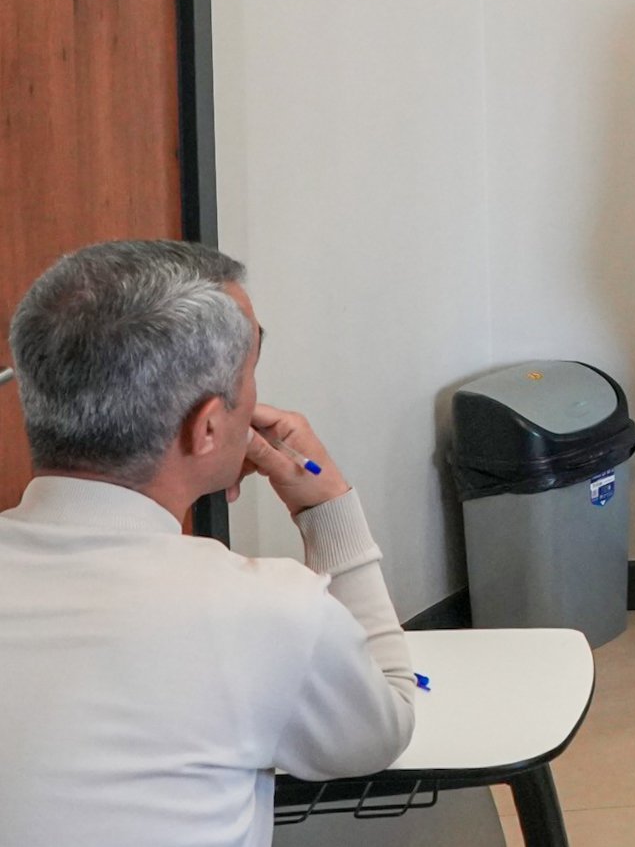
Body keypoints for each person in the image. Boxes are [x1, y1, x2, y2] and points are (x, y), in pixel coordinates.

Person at [0, 241, 416, 847]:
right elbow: (384, 727)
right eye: (249, 377)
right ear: (210, 426)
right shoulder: (268, 611)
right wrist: (328, 508)